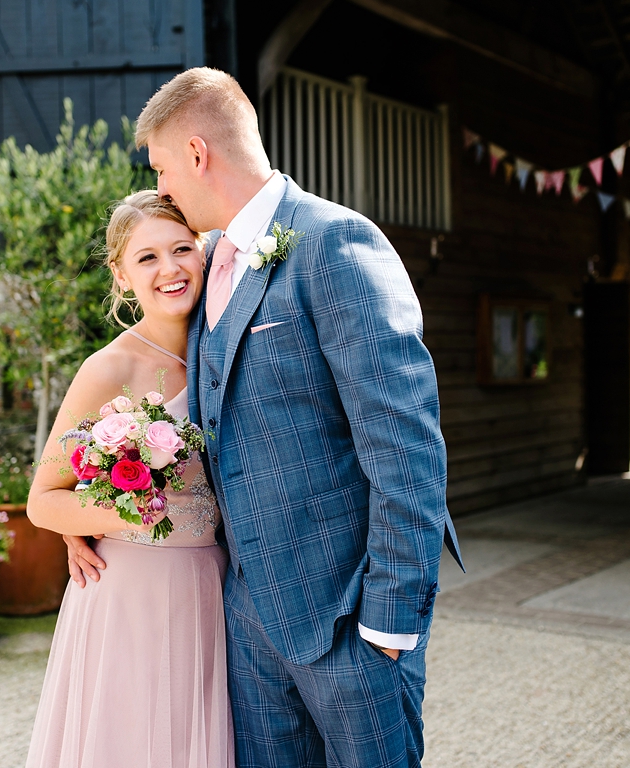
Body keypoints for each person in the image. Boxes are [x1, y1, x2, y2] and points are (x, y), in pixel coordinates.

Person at [65, 67, 463, 768]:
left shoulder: (335, 243)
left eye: (162, 168)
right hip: (246, 625)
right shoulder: (208, 261)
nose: (162, 190)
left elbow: (405, 447)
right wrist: (90, 520)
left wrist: (391, 621)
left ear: (196, 153)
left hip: (349, 620)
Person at [24, 190, 234, 768]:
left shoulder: (223, 350)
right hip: (128, 593)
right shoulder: (108, 368)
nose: (169, 269)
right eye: (147, 258)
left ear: (205, 255)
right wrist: (121, 512)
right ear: (121, 274)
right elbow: (44, 499)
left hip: (211, 588)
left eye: (181, 249)